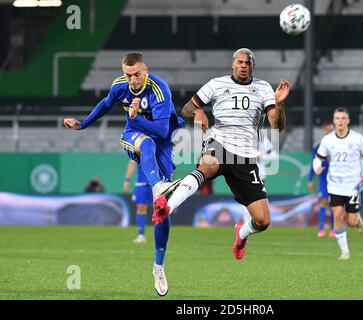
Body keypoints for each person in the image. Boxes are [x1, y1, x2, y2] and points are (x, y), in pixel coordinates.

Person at [152, 48, 291, 260]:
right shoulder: (216, 84)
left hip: (245, 156)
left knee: (263, 221)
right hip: (219, 141)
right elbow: (186, 109)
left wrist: (279, 104)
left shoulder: (263, 88)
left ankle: (242, 234)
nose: (243, 65)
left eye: (248, 63)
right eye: (240, 62)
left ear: (252, 66)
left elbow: (277, 126)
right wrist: (198, 111)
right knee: (207, 166)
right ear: (233, 65)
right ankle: (166, 208)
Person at [63, 52, 184, 296]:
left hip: (164, 142)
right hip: (133, 137)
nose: (132, 80)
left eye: (136, 74)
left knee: (163, 208)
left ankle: (158, 267)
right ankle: (158, 186)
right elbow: (106, 104)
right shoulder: (120, 86)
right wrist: (83, 123)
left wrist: (136, 115)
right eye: (128, 75)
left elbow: (162, 131)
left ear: (145, 70)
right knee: (146, 145)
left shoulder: (159, 89)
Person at [313, 108, 363, 260]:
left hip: (354, 186)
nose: (340, 121)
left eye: (343, 118)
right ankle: (345, 251)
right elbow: (318, 158)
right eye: (337, 118)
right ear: (334, 120)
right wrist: (317, 168)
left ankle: (357, 220)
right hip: (334, 185)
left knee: (352, 222)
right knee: (338, 214)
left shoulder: (358, 139)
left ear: (348, 120)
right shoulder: (327, 140)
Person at [308, 122, 335, 238]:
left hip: (336, 178)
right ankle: (322, 229)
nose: (328, 129)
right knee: (323, 202)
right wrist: (310, 179)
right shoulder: (318, 145)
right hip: (324, 178)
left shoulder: (339, 143)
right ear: (324, 129)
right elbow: (313, 163)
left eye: (330, 127)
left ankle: (334, 229)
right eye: (326, 128)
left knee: (335, 204)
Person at [123, 159, 152, 244]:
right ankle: (141, 235)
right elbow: (132, 162)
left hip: (155, 183)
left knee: (160, 209)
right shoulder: (138, 148)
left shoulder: (159, 148)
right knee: (141, 209)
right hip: (142, 183)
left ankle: (162, 236)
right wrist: (127, 180)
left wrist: (127, 180)